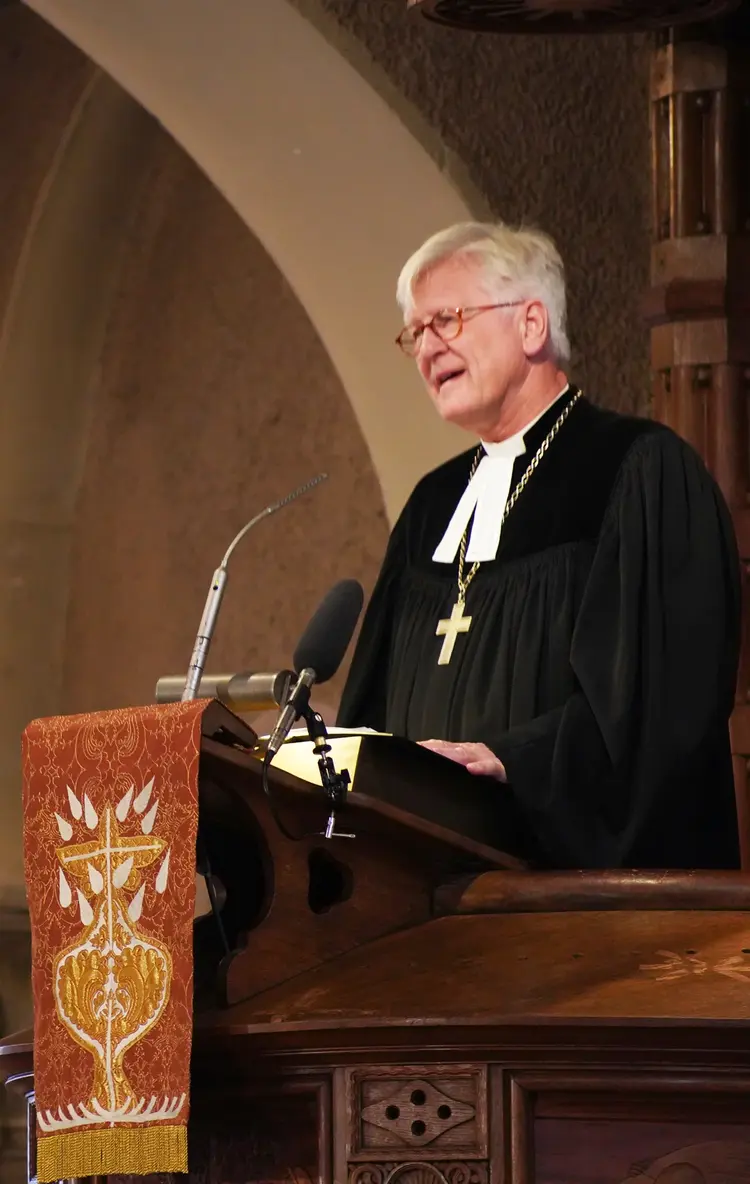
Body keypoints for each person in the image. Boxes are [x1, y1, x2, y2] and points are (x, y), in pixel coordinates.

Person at [337, 220, 741, 870]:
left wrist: (512, 760)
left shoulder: (637, 469)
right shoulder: (431, 507)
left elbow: (664, 702)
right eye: (415, 332)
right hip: (420, 897)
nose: (426, 347)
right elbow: (375, 706)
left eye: (448, 319)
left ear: (531, 325)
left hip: (576, 905)